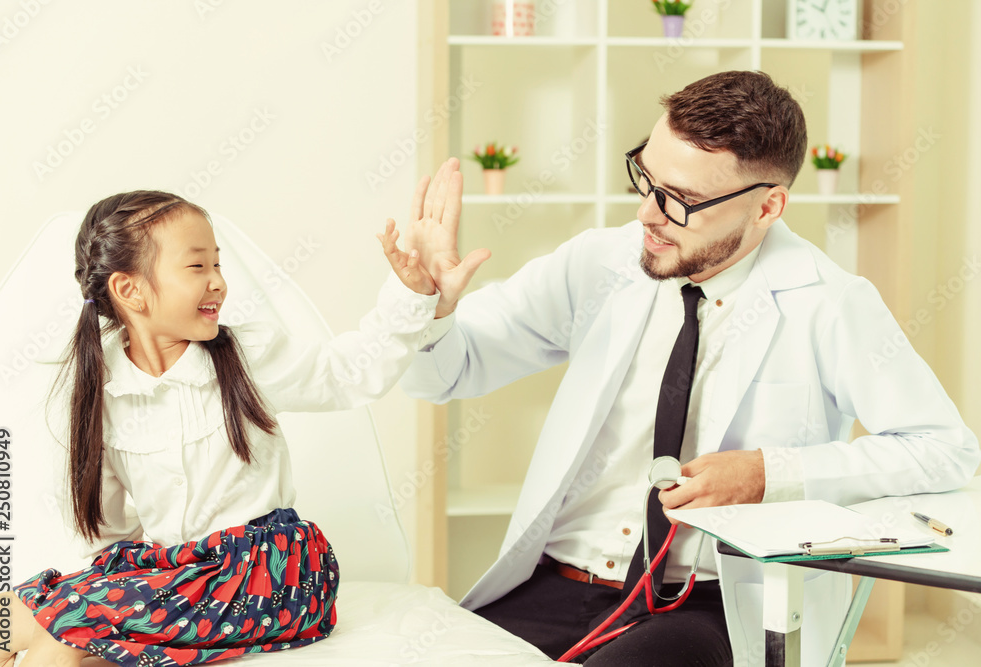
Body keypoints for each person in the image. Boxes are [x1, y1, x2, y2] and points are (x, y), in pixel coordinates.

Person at [400, 70, 980, 665]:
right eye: (647, 179)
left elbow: (944, 448)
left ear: (768, 207)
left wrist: (768, 473)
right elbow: (449, 372)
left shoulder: (829, 301)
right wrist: (429, 309)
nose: (649, 214)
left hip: (708, 603)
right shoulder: (598, 262)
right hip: (555, 583)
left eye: (684, 202)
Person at [0, 178, 481, 667]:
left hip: (267, 575)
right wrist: (111, 595)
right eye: (197, 266)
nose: (218, 280)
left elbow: (347, 374)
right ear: (129, 290)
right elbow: (108, 531)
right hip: (179, 576)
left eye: (217, 263)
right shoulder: (101, 389)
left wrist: (413, 294)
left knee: (59, 641)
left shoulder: (243, 356)